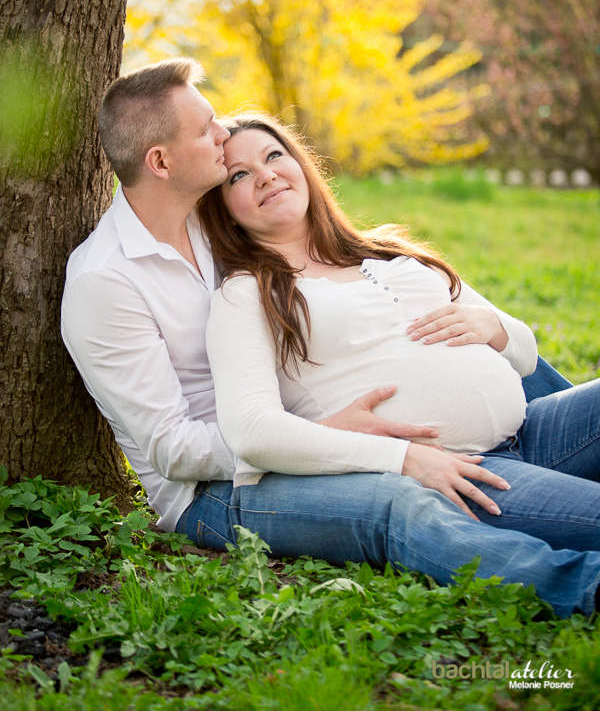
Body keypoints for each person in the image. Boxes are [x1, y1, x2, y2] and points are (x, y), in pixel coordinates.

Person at [61, 58, 600, 619]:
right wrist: (325, 435)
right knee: (399, 501)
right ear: (161, 161)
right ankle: (579, 581)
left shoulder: (213, 220)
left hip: (337, 427)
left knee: (492, 361)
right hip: (221, 486)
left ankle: (538, 462)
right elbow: (173, 449)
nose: (225, 138)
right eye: (208, 131)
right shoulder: (109, 281)